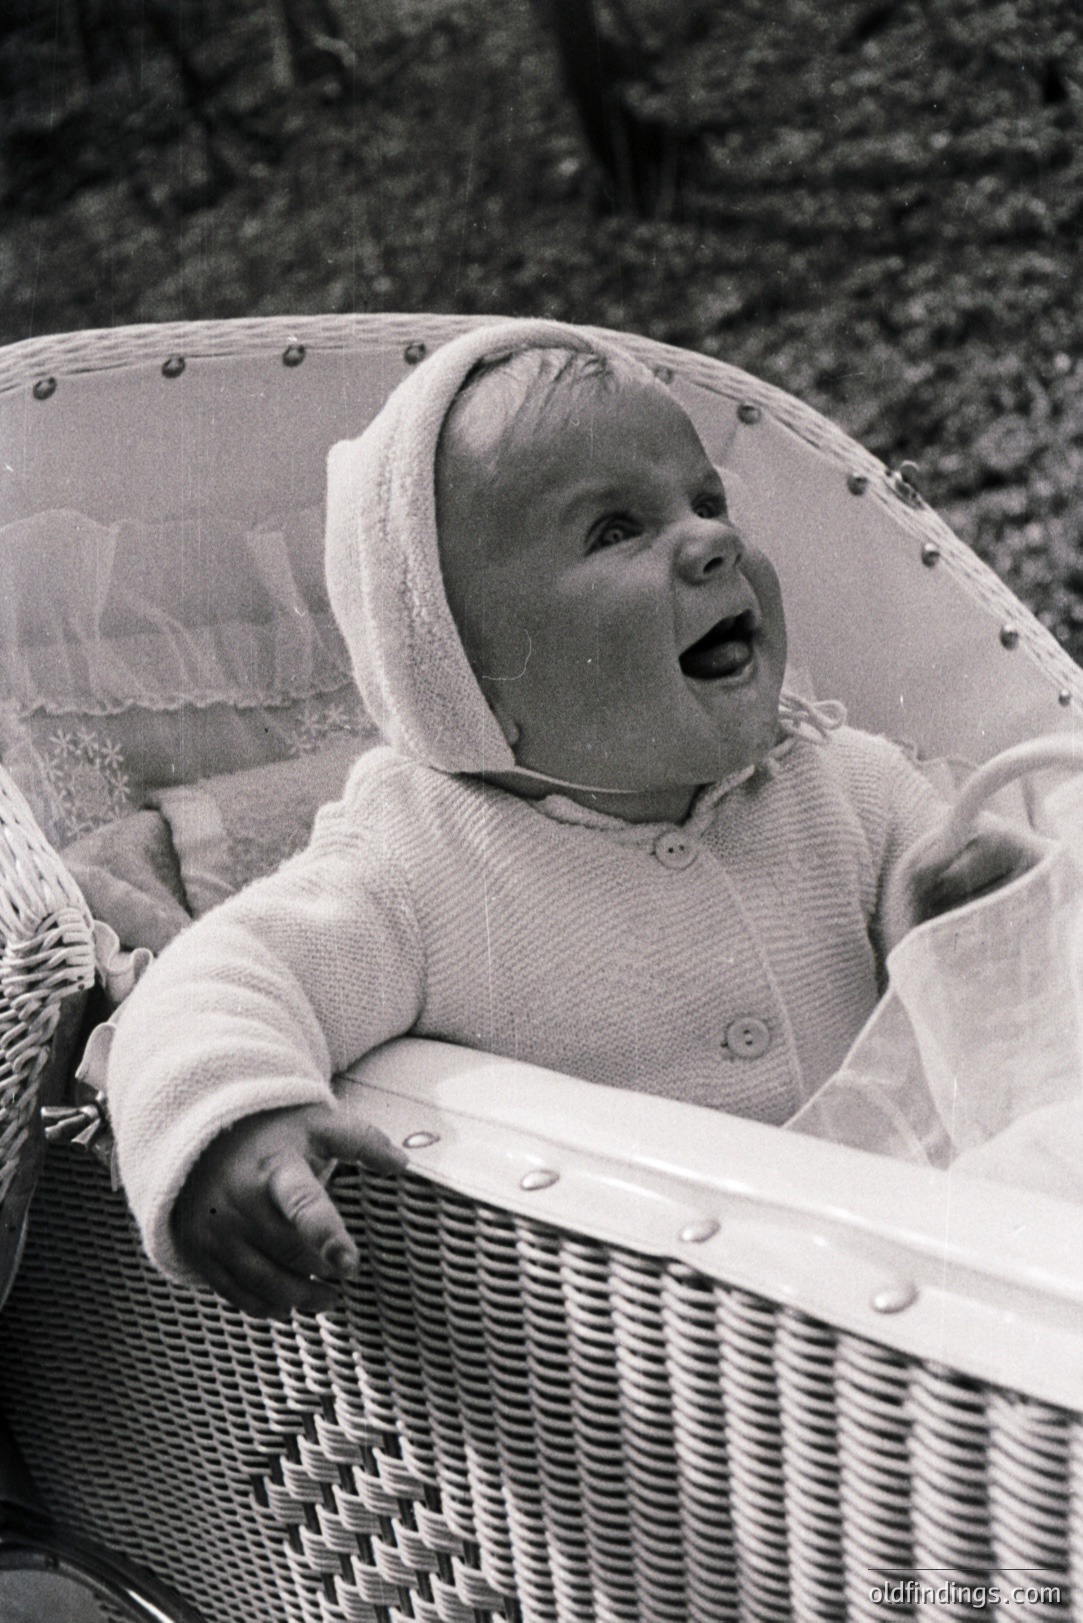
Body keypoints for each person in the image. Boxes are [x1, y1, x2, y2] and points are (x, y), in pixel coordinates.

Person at [104, 318, 1037, 1319]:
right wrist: (230, 1119)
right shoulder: (418, 866)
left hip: (917, 1290)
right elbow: (224, 978)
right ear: (462, 678)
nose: (715, 540)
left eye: (707, 501)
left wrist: (971, 912)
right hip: (617, 1342)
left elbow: (1005, 954)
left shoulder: (847, 784)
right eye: (616, 529)